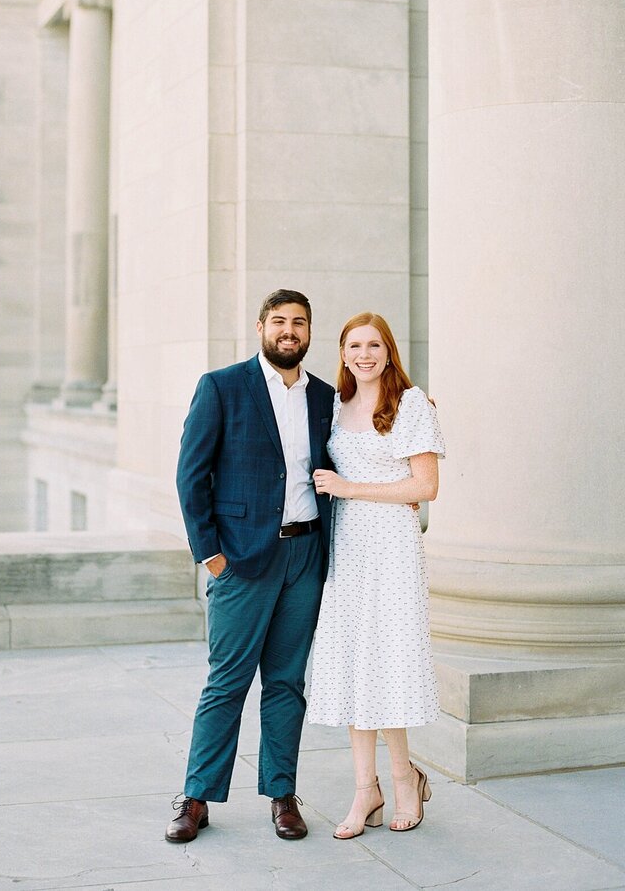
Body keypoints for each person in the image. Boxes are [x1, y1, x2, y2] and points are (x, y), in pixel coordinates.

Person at [166, 290, 334, 843]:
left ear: (309, 332)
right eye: (280, 321)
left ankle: (281, 795)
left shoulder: (325, 398)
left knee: (287, 683)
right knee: (227, 681)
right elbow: (191, 476)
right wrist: (211, 556)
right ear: (262, 326)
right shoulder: (223, 386)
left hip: (304, 556)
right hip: (241, 558)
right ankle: (196, 797)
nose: (290, 331)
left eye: (300, 323)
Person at [307, 311, 445, 837]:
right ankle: (366, 790)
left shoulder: (410, 404)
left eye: (375, 345)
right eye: (355, 346)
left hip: (391, 549)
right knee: (352, 664)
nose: (365, 354)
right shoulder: (334, 408)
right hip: (346, 549)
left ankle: (403, 777)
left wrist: (350, 488)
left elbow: (425, 487)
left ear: (389, 352)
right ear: (342, 354)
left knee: (386, 662)